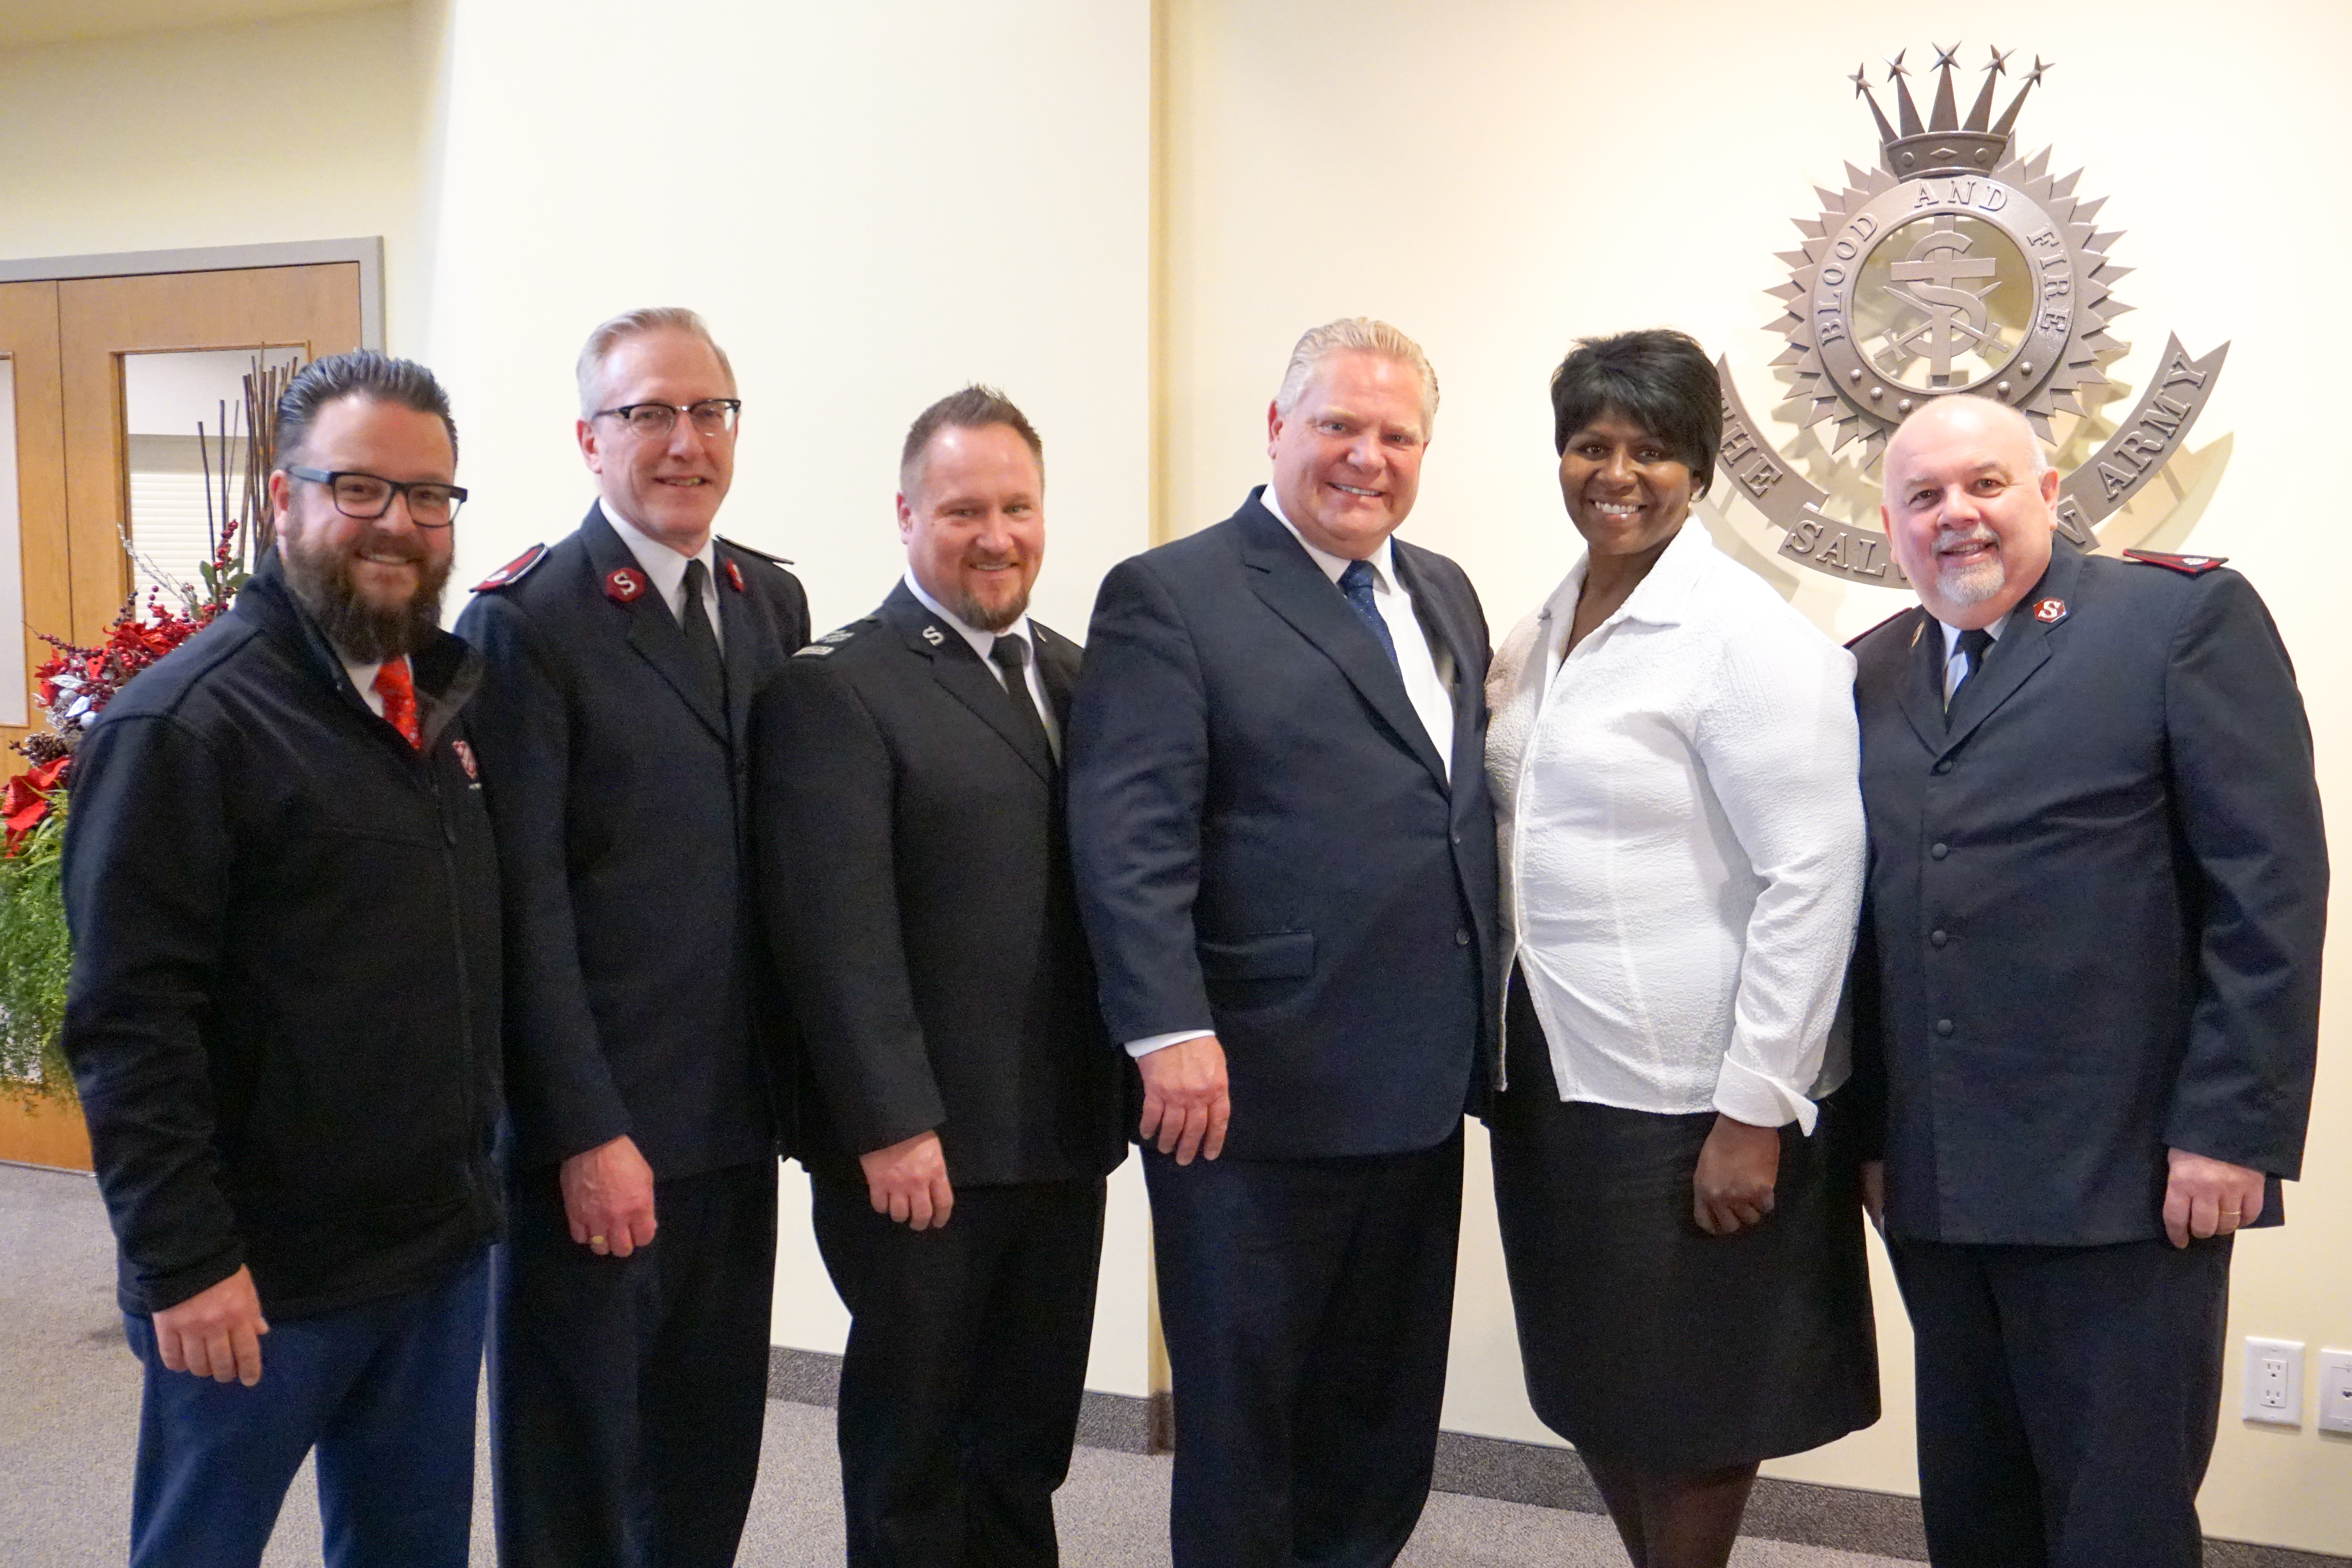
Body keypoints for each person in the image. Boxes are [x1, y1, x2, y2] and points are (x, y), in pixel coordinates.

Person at [1851, 394, 2326, 1568]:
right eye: (1925, 497)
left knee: (2120, 1519)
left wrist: (2231, 1128)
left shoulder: (2177, 621)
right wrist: (1869, 1131)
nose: (1956, 514)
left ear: (2050, 493)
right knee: (1976, 1510)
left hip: (2125, 1180)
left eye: (1986, 484)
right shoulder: (1872, 670)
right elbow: (1863, 919)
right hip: (1940, 1181)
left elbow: (2269, 890)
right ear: (1890, 523)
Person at [1067, 318, 1498, 1567]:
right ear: (1276, 428)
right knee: (1253, 1429)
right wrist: (1167, 1027)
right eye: (1339, 426)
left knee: (1380, 1426)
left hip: (1418, 1087)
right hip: (1248, 1091)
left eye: (1396, 434)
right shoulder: (1173, 593)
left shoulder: (1444, 592)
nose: (1368, 456)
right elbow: (1129, 835)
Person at [60, 352, 499, 1568]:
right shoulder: (186, 726)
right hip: (255, 1284)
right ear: (283, 499)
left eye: (428, 496)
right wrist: (187, 1261)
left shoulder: (430, 706)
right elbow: (127, 1024)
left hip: (430, 1257)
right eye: (359, 488)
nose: (398, 523)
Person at [1482, 329, 1876, 1568]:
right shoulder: (1550, 617)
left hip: (1693, 1090)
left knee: (1698, 1397)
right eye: (1593, 444)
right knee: (1595, 1377)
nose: (1619, 471)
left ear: (1699, 468)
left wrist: (1757, 1106)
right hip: (1554, 1074)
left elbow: (1815, 874)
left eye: (1653, 449)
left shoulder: (1743, 636)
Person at [455, 307, 810, 1568]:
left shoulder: (766, 597)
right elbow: (525, 907)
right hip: (596, 1133)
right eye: (648, 413)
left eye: (708, 411)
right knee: (579, 1470)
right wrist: (582, 1130)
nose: (684, 441)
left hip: (734, 1115)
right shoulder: (528, 620)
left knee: (706, 1448)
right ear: (588, 438)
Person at [755, 386, 1126, 1566]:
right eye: (964, 508)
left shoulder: (1076, 675)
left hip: (1061, 1132)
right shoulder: (840, 686)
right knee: (918, 1446)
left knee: (1026, 1439)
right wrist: (892, 1124)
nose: (996, 534)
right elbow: (833, 932)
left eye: (1018, 506)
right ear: (907, 515)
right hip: (918, 1149)